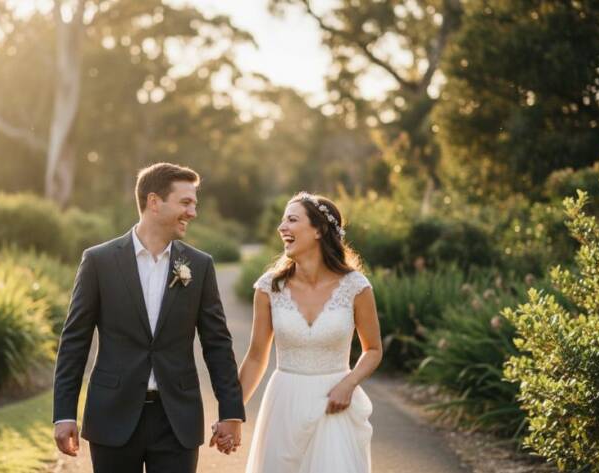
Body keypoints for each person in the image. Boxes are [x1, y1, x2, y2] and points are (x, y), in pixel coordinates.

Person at [52, 162, 245, 473]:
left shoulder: (199, 265)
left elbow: (218, 345)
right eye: (185, 202)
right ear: (154, 202)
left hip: (177, 420)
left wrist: (231, 412)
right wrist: (64, 414)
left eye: (194, 203)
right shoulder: (98, 261)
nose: (193, 212)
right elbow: (74, 342)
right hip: (111, 416)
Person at [223, 191, 383, 472]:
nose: (281, 227)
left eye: (292, 220)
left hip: (335, 405)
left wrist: (349, 383)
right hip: (284, 403)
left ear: (319, 230)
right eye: (282, 220)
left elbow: (373, 350)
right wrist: (232, 414)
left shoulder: (356, 287)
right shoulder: (268, 288)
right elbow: (257, 357)